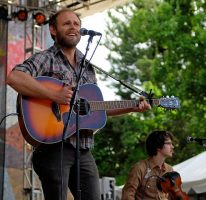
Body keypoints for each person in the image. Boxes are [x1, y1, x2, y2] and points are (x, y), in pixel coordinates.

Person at [6, 8, 151, 200]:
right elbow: (14, 77)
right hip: (53, 146)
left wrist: (132, 107)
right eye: (66, 24)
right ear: (53, 30)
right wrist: (54, 94)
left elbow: (95, 110)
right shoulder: (46, 58)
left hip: (82, 149)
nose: (73, 27)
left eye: (76, 24)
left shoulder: (88, 67)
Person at [122, 130, 175, 200]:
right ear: (158, 146)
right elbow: (127, 195)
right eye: (168, 143)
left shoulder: (170, 169)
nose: (172, 147)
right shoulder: (139, 168)